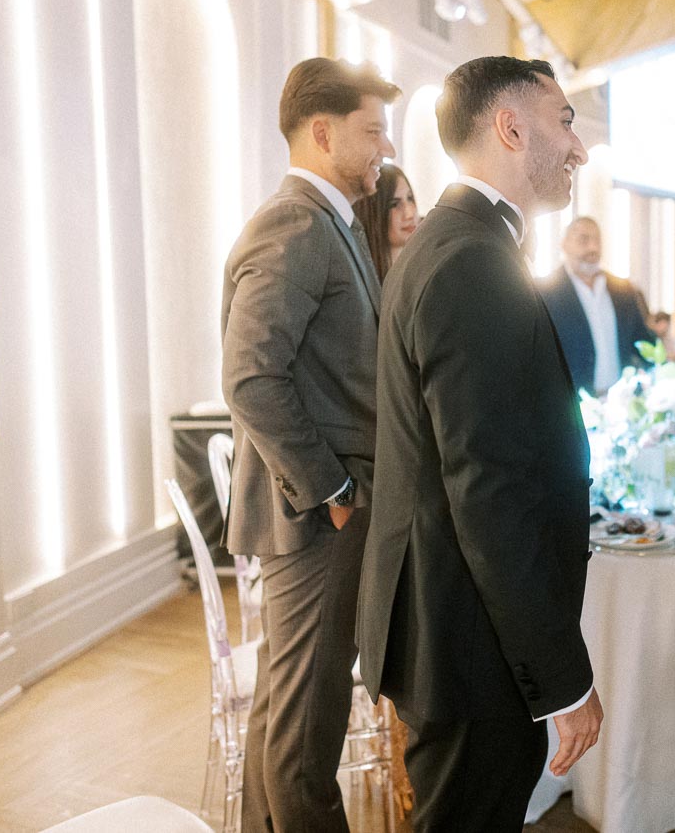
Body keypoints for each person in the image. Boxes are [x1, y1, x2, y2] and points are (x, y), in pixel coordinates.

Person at [355, 56, 602, 831]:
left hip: (452, 621)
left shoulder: (454, 244)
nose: (578, 147)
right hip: (469, 637)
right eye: (565, 121)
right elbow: (488, 491)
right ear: (511, 128)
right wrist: (561, 677)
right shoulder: (473, 262)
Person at [221, 57, 399, 832]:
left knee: (282, 713)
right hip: (317, 520)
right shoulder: (297, 223)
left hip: (319, 515)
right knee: (305, 739)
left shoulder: (330, 223)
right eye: (373, 131)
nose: (386, 148)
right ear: (323, 133)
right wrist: (333, 492)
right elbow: (250, 377)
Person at [537, 216, 655, 394]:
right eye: (583, 240)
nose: (593, 248)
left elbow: (643, 342)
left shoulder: (624, 290)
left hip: (622, 401)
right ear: (564, 244)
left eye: (597, 240)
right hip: (571, 402)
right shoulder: (544, 293)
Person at [352, 162, 418, 282]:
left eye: (410, 198)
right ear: (373, 213)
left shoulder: (424, 269)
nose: (409, 214)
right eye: (395, 204)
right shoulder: (358, 278)